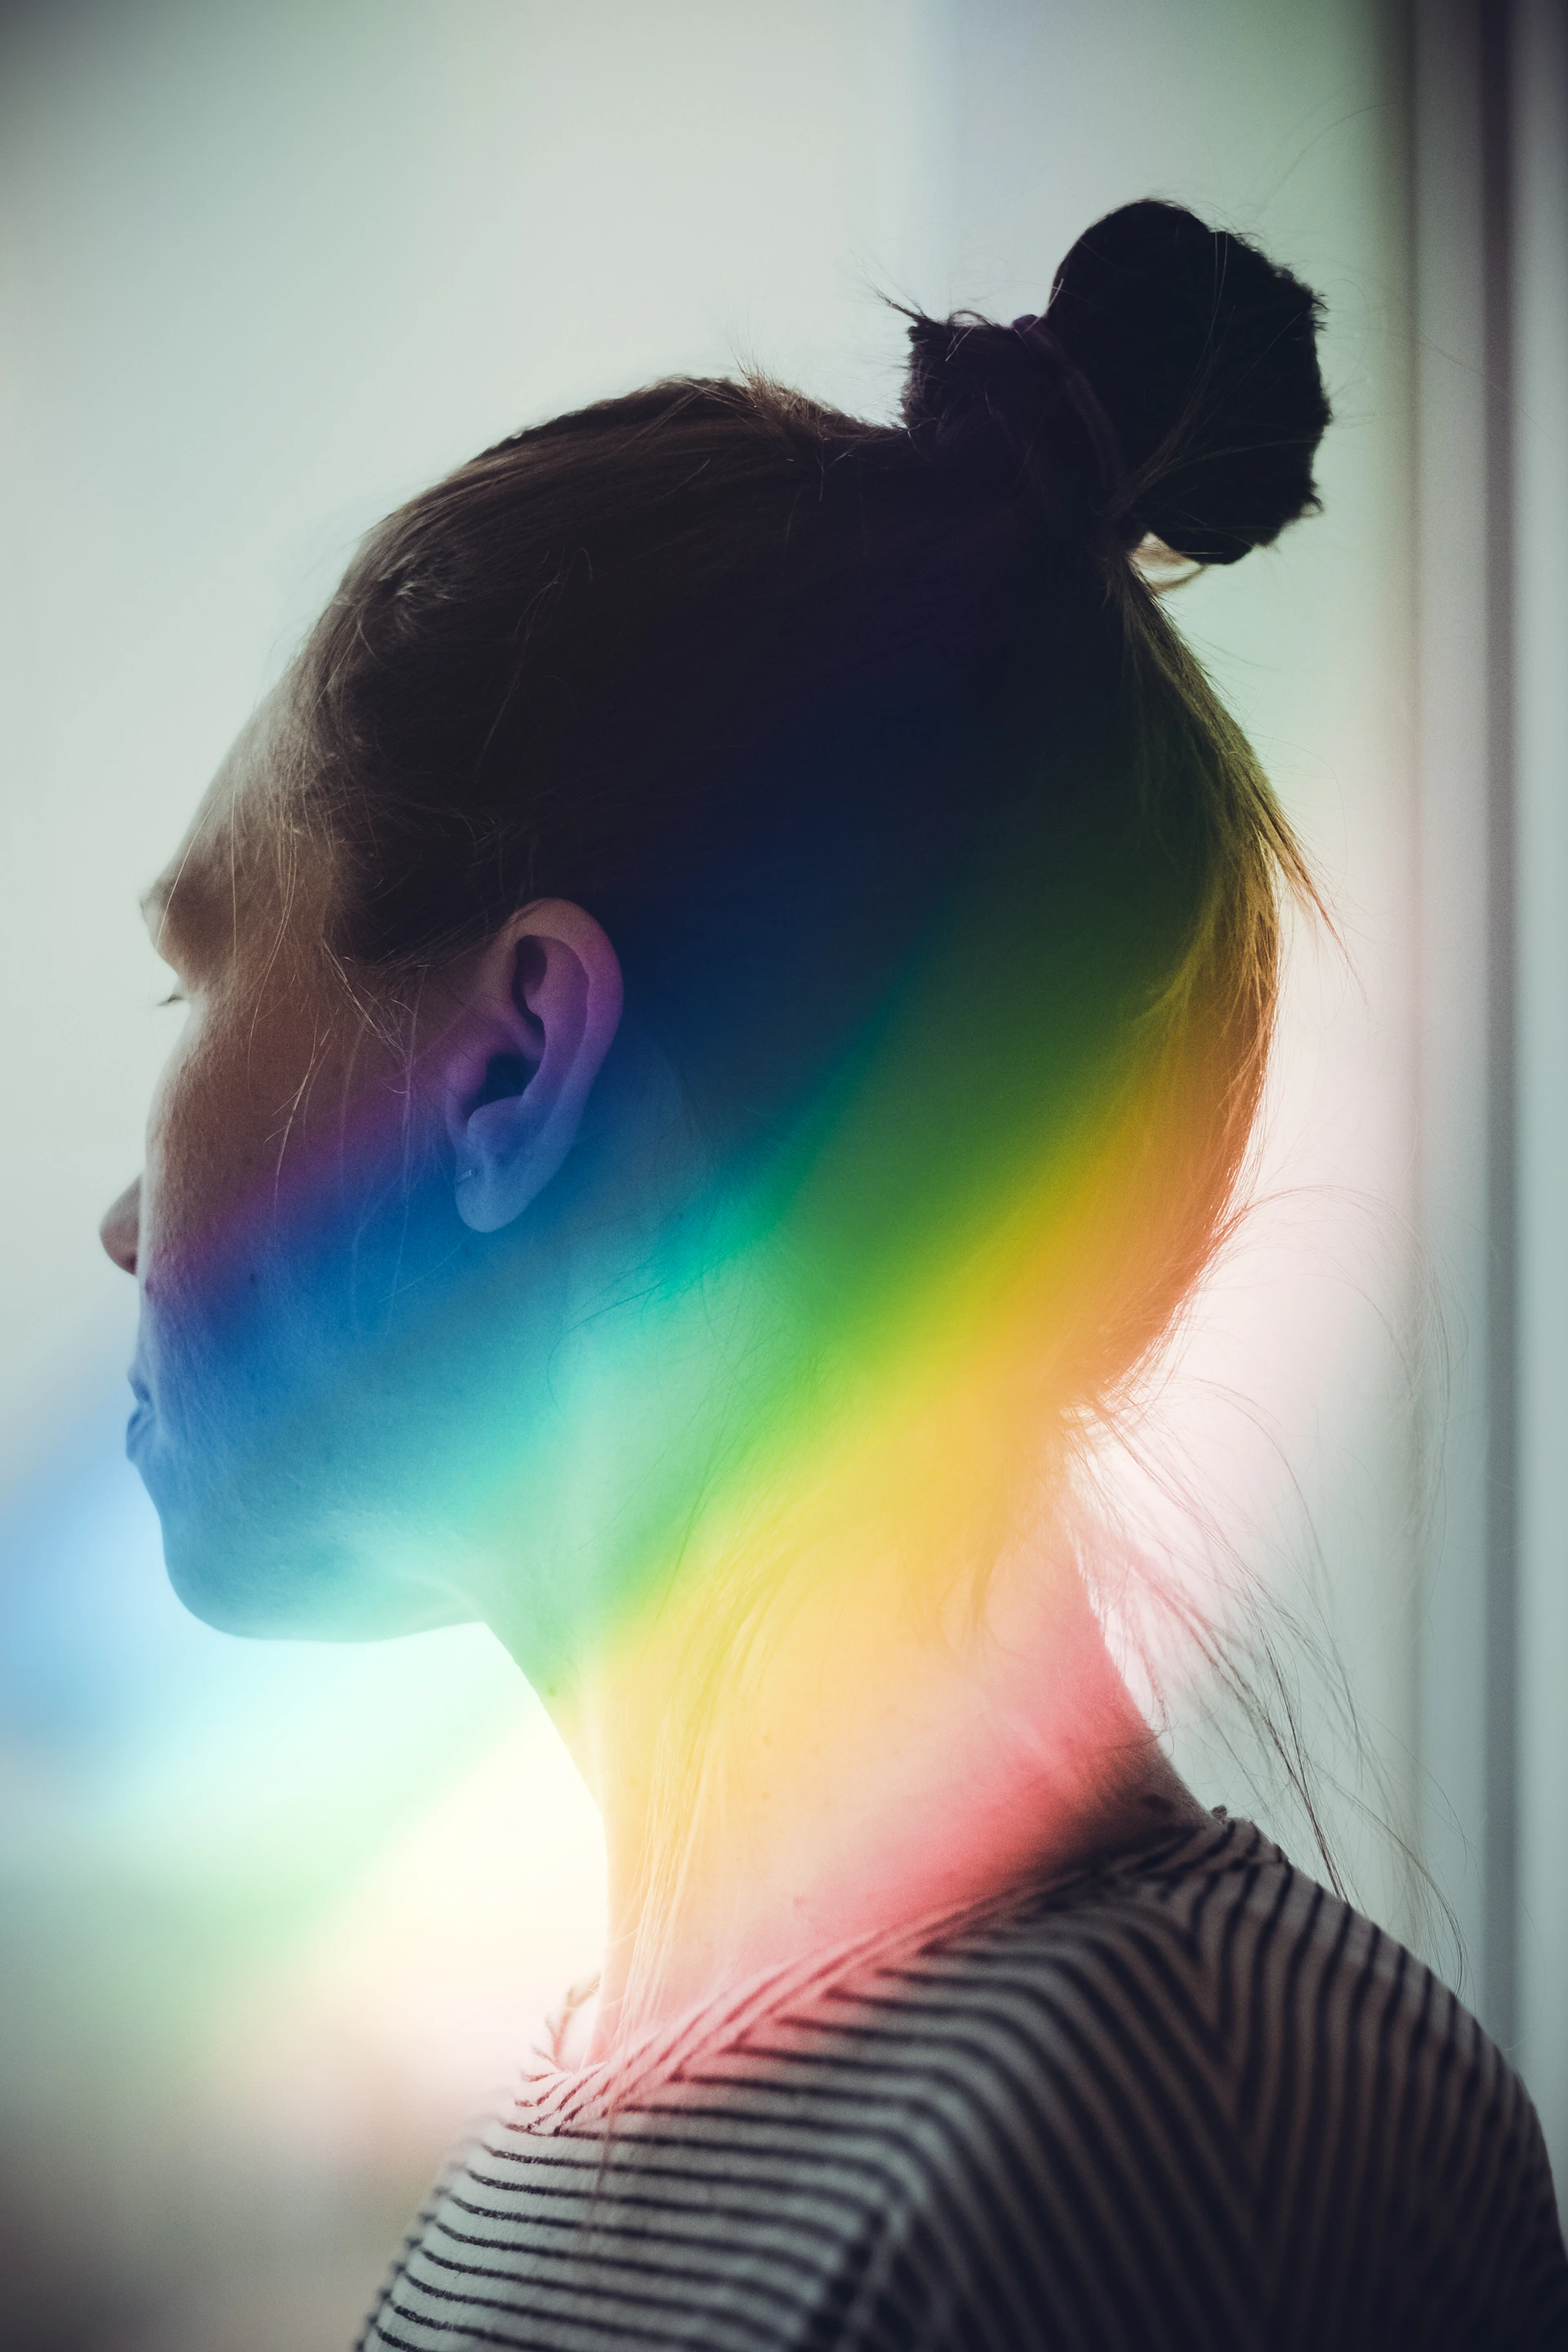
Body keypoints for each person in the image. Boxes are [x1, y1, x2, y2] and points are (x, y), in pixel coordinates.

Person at [100, 200, 1567, 2350]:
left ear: (515, 1061)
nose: (116, 1218)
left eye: (199, 969)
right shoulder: (653, 2107)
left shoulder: (1153, 2148)